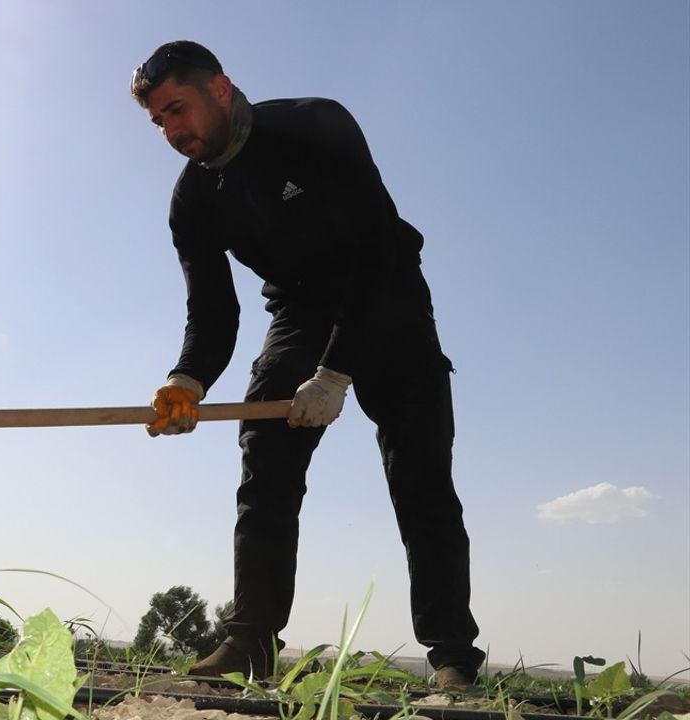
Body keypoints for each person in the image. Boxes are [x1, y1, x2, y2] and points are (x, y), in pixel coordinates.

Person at [131, 40, 484, 690]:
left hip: (387, 295)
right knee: (264, 458)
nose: (171, 130)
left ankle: (454, 657)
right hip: (299, 312)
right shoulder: (194, 200)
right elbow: (213, 312)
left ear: (221, 87)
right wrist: (186, 379)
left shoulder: (316, 127)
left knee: (422, 479)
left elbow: (376, 252)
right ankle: (251, 645)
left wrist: (335, 374)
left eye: (177, 108)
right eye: (159, 121)